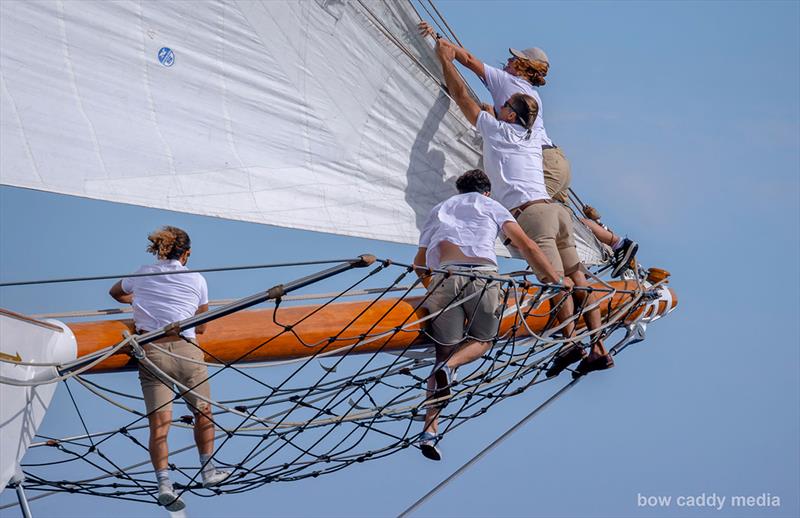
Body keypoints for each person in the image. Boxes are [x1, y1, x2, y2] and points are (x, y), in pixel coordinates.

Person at [432, 38, 615, 384]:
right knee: (580, 280)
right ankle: (598, 347)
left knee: (555, 280)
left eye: (503, 108)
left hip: (533, 215)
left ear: (510, 115)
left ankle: (570, 343)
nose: (497, 109)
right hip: (557, 211)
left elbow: (462, 97)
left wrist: (446, 60)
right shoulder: (532, 135)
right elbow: (489, 108)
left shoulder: (497, 131)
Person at [419, 22, 638, 278]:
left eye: (514, 59)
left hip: (544, 160)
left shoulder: (508, 81)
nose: (509, 60)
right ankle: (611, 246)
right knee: (559, 217)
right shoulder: (527, 92)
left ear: (523, 67)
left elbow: (466, 59)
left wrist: (441, 42)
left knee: (539, 215)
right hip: (553, 158)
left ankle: (606, 250)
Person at [414, 169, 571, 461]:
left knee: (441, 354)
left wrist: (436, 291)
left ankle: (430, 431)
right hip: (483, 279)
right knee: (483, 340)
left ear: (460, 191)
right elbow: (528, 245)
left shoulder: (440, 209)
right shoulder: (491, 206)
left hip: (443, 279)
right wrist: (555, 281)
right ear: (487, 192)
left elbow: (419, 265)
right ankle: (450, 368)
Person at [109, 226, 229, 511]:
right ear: (185, 254)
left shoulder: (142, 273)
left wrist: (138, 300)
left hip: (152, 353)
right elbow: (201, 325)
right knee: (204, 412)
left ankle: (164, 483)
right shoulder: (196, 279)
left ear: (159, 250)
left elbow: (115, 292)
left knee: (160, 424)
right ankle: (208, 471)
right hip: (187, 354)